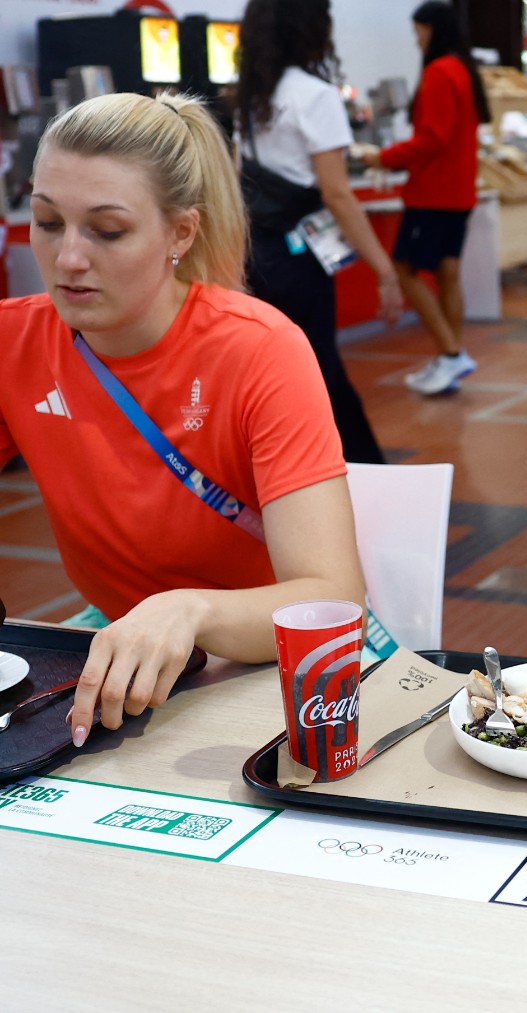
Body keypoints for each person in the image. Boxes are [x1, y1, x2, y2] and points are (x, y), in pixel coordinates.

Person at [0, 92, 363, 747]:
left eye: (107, 231)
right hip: (121, 653)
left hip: (266, 661)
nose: (69, 258)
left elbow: (334, 601)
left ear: (181, 233)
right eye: (48, 221)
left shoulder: (259, 350)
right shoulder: (13, 342)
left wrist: (189, 608)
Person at [236, 0, 403, 465]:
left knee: (273, 373)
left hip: (258, 253)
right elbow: (338, 194)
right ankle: (357, 476)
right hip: (300, 259)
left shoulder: (252, 96)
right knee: (320, 375)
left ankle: (282, 473)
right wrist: (384, 269)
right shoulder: (315, 94)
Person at [352, 1, 489, 396]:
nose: (415, 39)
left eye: (418, 31)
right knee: (448, 273)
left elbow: (432, 138)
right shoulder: (464, 69)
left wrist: (383, 156)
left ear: (431, 29)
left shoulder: (440, 72)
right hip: (458, 193)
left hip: (433, 193)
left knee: (404, 269)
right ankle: (452, 356)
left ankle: (450, 354)